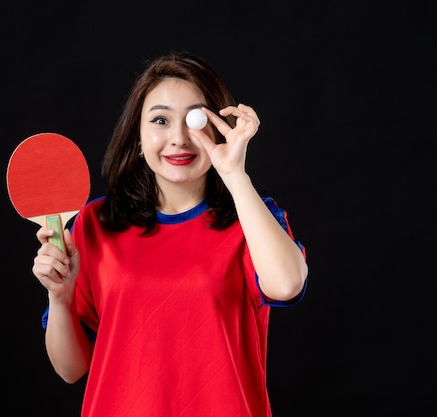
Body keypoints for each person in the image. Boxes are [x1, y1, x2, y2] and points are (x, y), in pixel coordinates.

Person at [31, 51, 308, 416]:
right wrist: (61, 296)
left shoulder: (253, 219)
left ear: (218, 129)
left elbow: (287, 285)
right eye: (160, 120)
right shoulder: (95, 223)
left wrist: (235, 174)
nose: (179, 137)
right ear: (139, 137)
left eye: (195, 119)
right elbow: (71, 370)